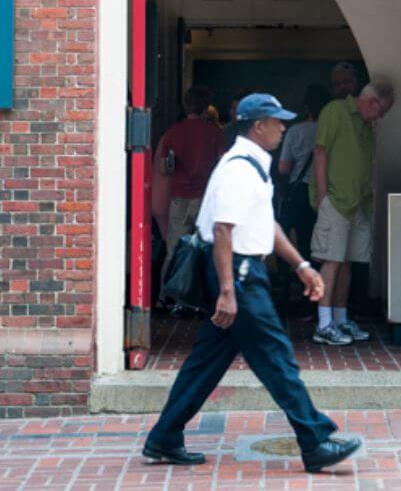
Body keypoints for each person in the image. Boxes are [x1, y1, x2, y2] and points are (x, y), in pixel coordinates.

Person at [143, 93, 363, 473]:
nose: (283, 127)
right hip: (239, 275)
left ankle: (164, 436)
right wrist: (228, 292)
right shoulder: (239, 168)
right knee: (277, 358)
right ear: (257, 125)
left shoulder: (253, 166)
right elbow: (223, 230)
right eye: (276, 120)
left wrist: (300, 266)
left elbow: (265, 224)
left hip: (242, 272)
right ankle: (314, 441)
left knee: (205, 363)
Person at [310, 77, 393, 346]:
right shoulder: (335, 111)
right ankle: (324, 324)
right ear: (371, 102)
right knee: (331, 260)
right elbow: (320, 152)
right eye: (381, 111)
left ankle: (339, 319)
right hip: (336, 200)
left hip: (358, 202)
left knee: (346, 263)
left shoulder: (366, 124)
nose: (380, 117)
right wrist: (323, 197)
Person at [154, 85, 225, 302]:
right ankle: (202, 299)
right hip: (205, 199)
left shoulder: (173, 132)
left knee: (174, 250)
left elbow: (164, 168)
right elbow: (223, 166)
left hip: (180, 199)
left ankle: (166, 296)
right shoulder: (215, 133)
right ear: (206, 107)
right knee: (206, 251)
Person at [278, 85, 333, 259]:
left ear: (306, 107)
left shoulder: (295, 131)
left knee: (301, 237)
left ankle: (293, 279)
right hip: (329, 189)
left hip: (300, 190)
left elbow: (283, 168)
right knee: (321, 239)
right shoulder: (332, 131)